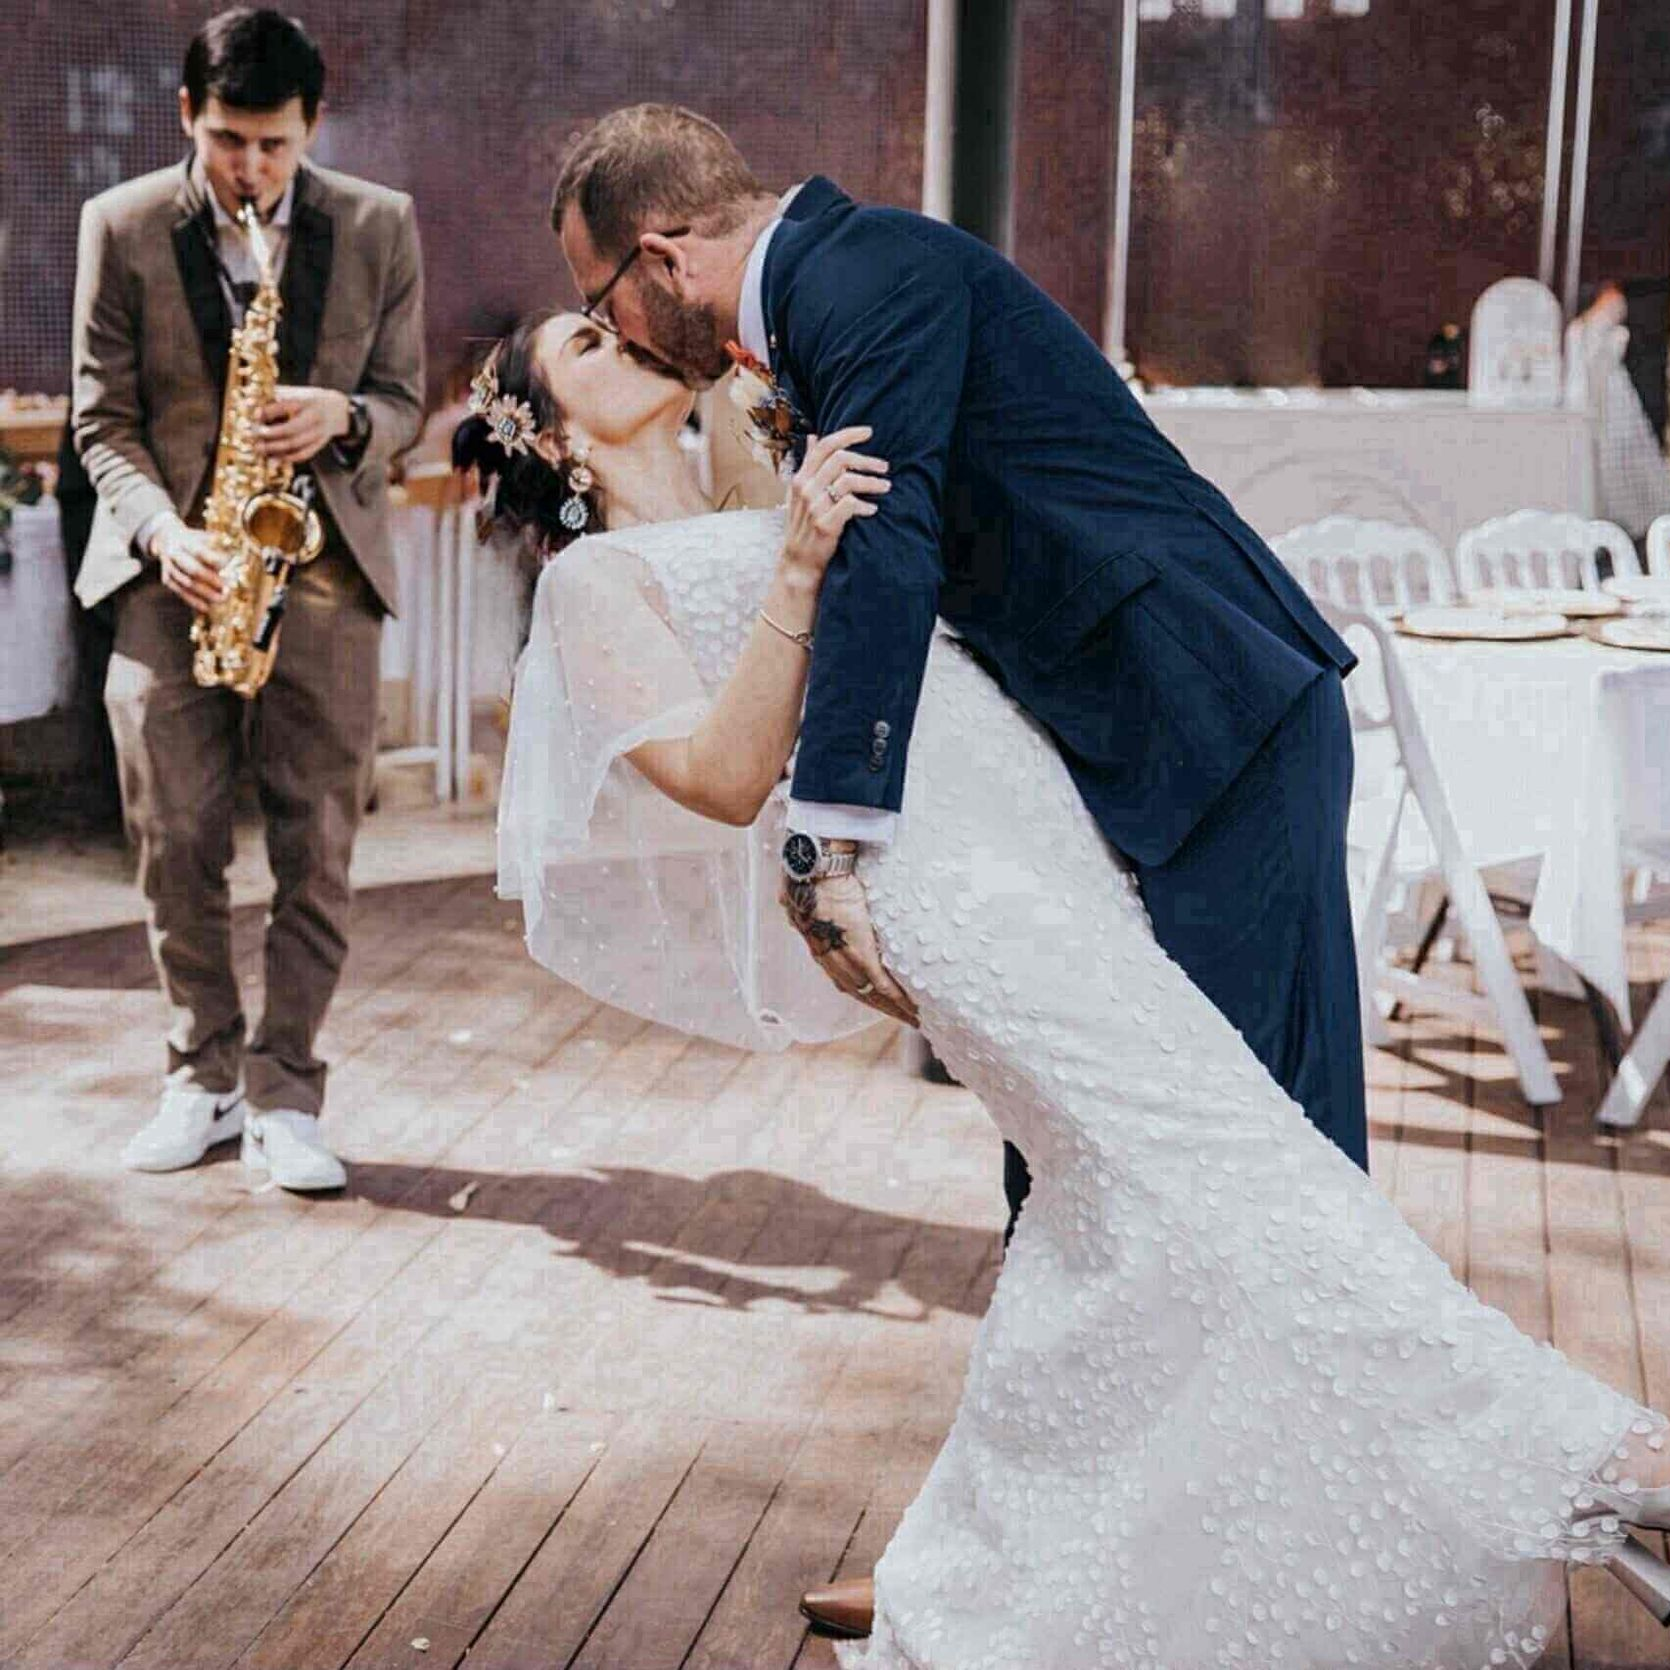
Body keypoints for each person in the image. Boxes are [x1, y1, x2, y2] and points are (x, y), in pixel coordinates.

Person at [468, 307, 1670, 1669]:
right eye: (576, 341)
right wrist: (800, 565)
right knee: (1204, 1147)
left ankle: (981, 1558)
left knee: (1107, 1188)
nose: (614, 331)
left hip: (1038, 826)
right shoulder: (598, 582)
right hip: (941, 885)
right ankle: (1591, 1450)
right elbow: (721, 775)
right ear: (549, 428)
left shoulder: (765, 467)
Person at [552, 102, 1373, 1632]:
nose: (611, 328)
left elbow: (892, 540)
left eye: (601, 301)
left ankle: (1271, 1549)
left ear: (658, 254)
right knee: (1066, 1161)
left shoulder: (864, 280)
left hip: (1216, 727)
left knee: (1238, 1158)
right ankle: (1004, 1555)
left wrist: (833, 841)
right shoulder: (826, 307)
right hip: (1120, 757)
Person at [72, 7, 424, 1190]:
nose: (251, 171)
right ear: (187, 115)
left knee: (316, 849)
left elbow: (407, 399)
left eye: (275, 145)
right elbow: (99, 424)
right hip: (174, 569)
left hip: (320, 573)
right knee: (172, 841)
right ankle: (201, 1074)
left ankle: (286, 1090)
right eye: (229, 141)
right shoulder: (115, 227)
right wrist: (163, 528)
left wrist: (349, 417)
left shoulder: (379, 224)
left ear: (312, 125)